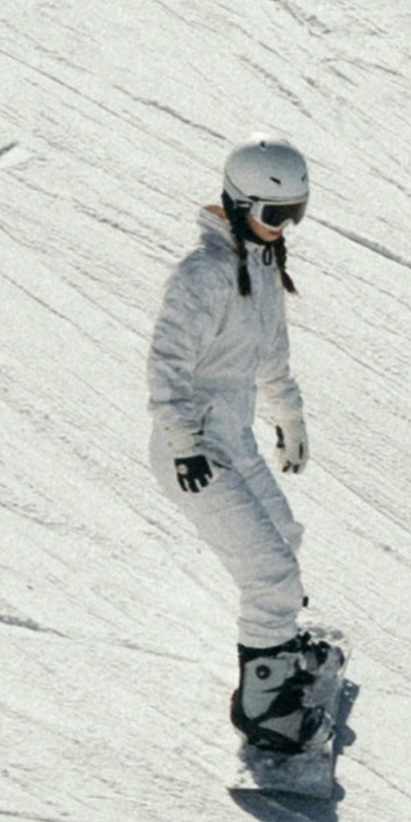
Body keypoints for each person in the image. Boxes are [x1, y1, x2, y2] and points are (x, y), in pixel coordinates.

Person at [147, 140, 330, 762]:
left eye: (296, 213)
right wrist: (181, 439)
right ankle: (263, 706)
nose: (286, 228)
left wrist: (290, 416)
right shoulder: (204, 273)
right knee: (271, 577)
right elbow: (167, 362)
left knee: (285, 536)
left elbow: (271, 356)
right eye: (277, 215)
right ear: (240, 202)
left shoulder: (260, 264)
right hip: (194, 453)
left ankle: (277, 654)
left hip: (231, 437)